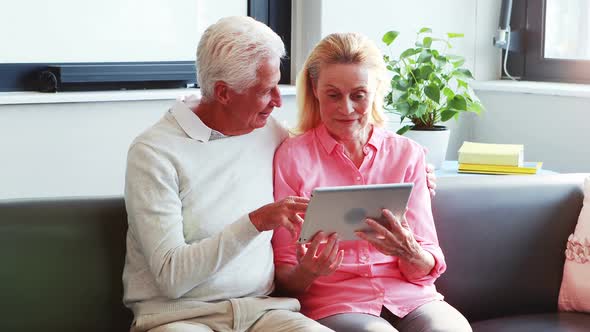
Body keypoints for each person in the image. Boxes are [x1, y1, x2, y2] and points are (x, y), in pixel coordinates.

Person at [122, 16, 333, 332]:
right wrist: (256, 222)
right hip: (179, 317)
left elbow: (323, 158)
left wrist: (419, 173)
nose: (278, 101)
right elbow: (172, 278)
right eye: (266, 90)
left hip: (264, 313)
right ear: (223, 93)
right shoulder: (153, 153)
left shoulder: (270, 132)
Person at [271, 32, 472, 332]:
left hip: (411, 298)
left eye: (359, 95)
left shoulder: (407, 154)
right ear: (315, 89)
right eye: (333, 94)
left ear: (376, 90)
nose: (347, 108)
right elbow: (284, 273)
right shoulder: (292, 157)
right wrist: (308, 271)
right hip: (337, 303)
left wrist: (411, 252)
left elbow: (428, 261)